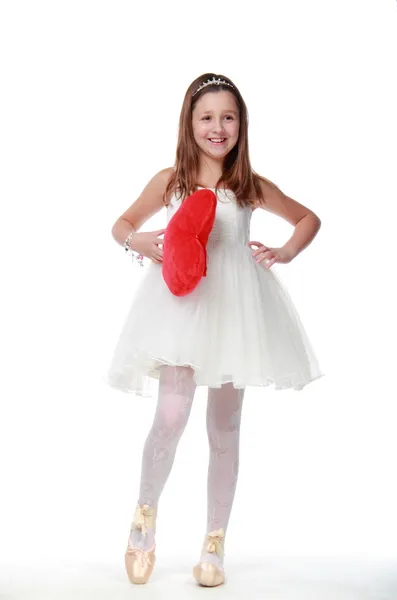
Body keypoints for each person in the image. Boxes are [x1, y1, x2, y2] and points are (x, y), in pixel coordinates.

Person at [106, 72, 324, 587]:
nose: (218, 126)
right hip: (181, 307)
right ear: (190, 122)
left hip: (234, 314)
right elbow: (121, 224)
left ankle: (214, 541)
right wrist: (139, 242)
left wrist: (286, 251)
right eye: (207, 117)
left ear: (241, 124)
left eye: (228, 116)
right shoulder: (172, 181)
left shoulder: (249, 186)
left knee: (223, 429)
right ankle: (143, 519)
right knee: (172, 414)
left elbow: (307, 218)